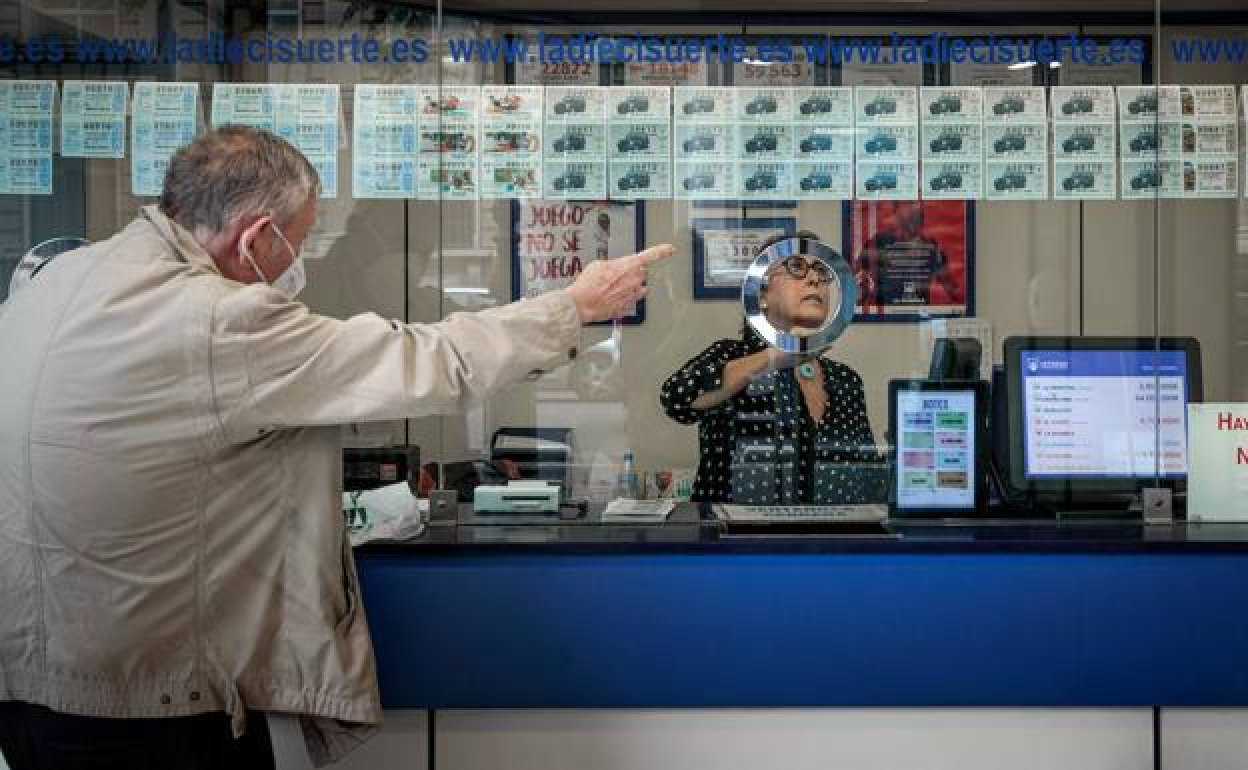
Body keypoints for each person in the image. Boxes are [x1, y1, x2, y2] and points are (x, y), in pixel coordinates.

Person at [0, 125, 672, 770]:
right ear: (257, 238)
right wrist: (573, 306)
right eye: (299, 244)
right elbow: (427, 362)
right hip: (153, 708)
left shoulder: (56, 283)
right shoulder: (218, 319)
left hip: (31, 690)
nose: (297, 264)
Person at [660, 233, 879, 504]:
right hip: (737, 541)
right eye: (796, 267)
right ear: (761, 293)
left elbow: (867, 475)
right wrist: (776, 356)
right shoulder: (730, 356)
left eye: (822, 270)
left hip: (830, 541)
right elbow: (676, 400)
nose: (814, 279)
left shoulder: (845, 379)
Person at [853, 200, 963, 311]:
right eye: (909, 203)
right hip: (887, 320)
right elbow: (855, 282)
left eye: (917, 205)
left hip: (919, 320)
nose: (915, 208)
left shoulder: (931, 246)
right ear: (896, 210)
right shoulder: (879, 242)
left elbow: (952, 288)